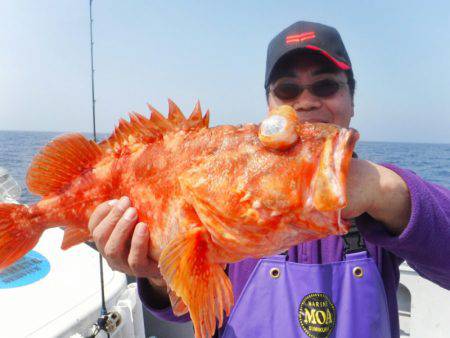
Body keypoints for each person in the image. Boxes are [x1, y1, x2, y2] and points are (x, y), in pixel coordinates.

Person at [88, 21, 450, 338]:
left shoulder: (384, 200)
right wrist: (158, 279)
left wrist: (381, 189)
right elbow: (187, 307)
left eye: (325, 86)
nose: (306, 101)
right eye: (287, 91)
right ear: (270, 107)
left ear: (352, 101)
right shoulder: (237, 185)